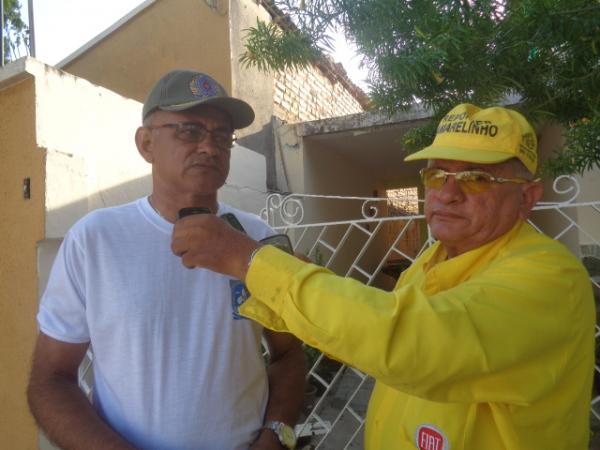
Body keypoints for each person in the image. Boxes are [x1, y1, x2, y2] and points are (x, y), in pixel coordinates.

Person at [169, 103, 596, 449]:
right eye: (437, 174)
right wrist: (290, 277)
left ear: (528, 197)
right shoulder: (431, 263)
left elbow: (407, 341)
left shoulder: (550, 278)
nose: (448, 192)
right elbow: (366, 336)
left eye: (478, 177)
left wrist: (251, 262)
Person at [27, 70, 306, 450]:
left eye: (223, 137)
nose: (210, 147)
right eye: (189, 131)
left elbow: (288, 354)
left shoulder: (257, 238)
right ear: (146, 144)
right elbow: (51, 380)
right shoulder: (95, 240)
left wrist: (276, 436)